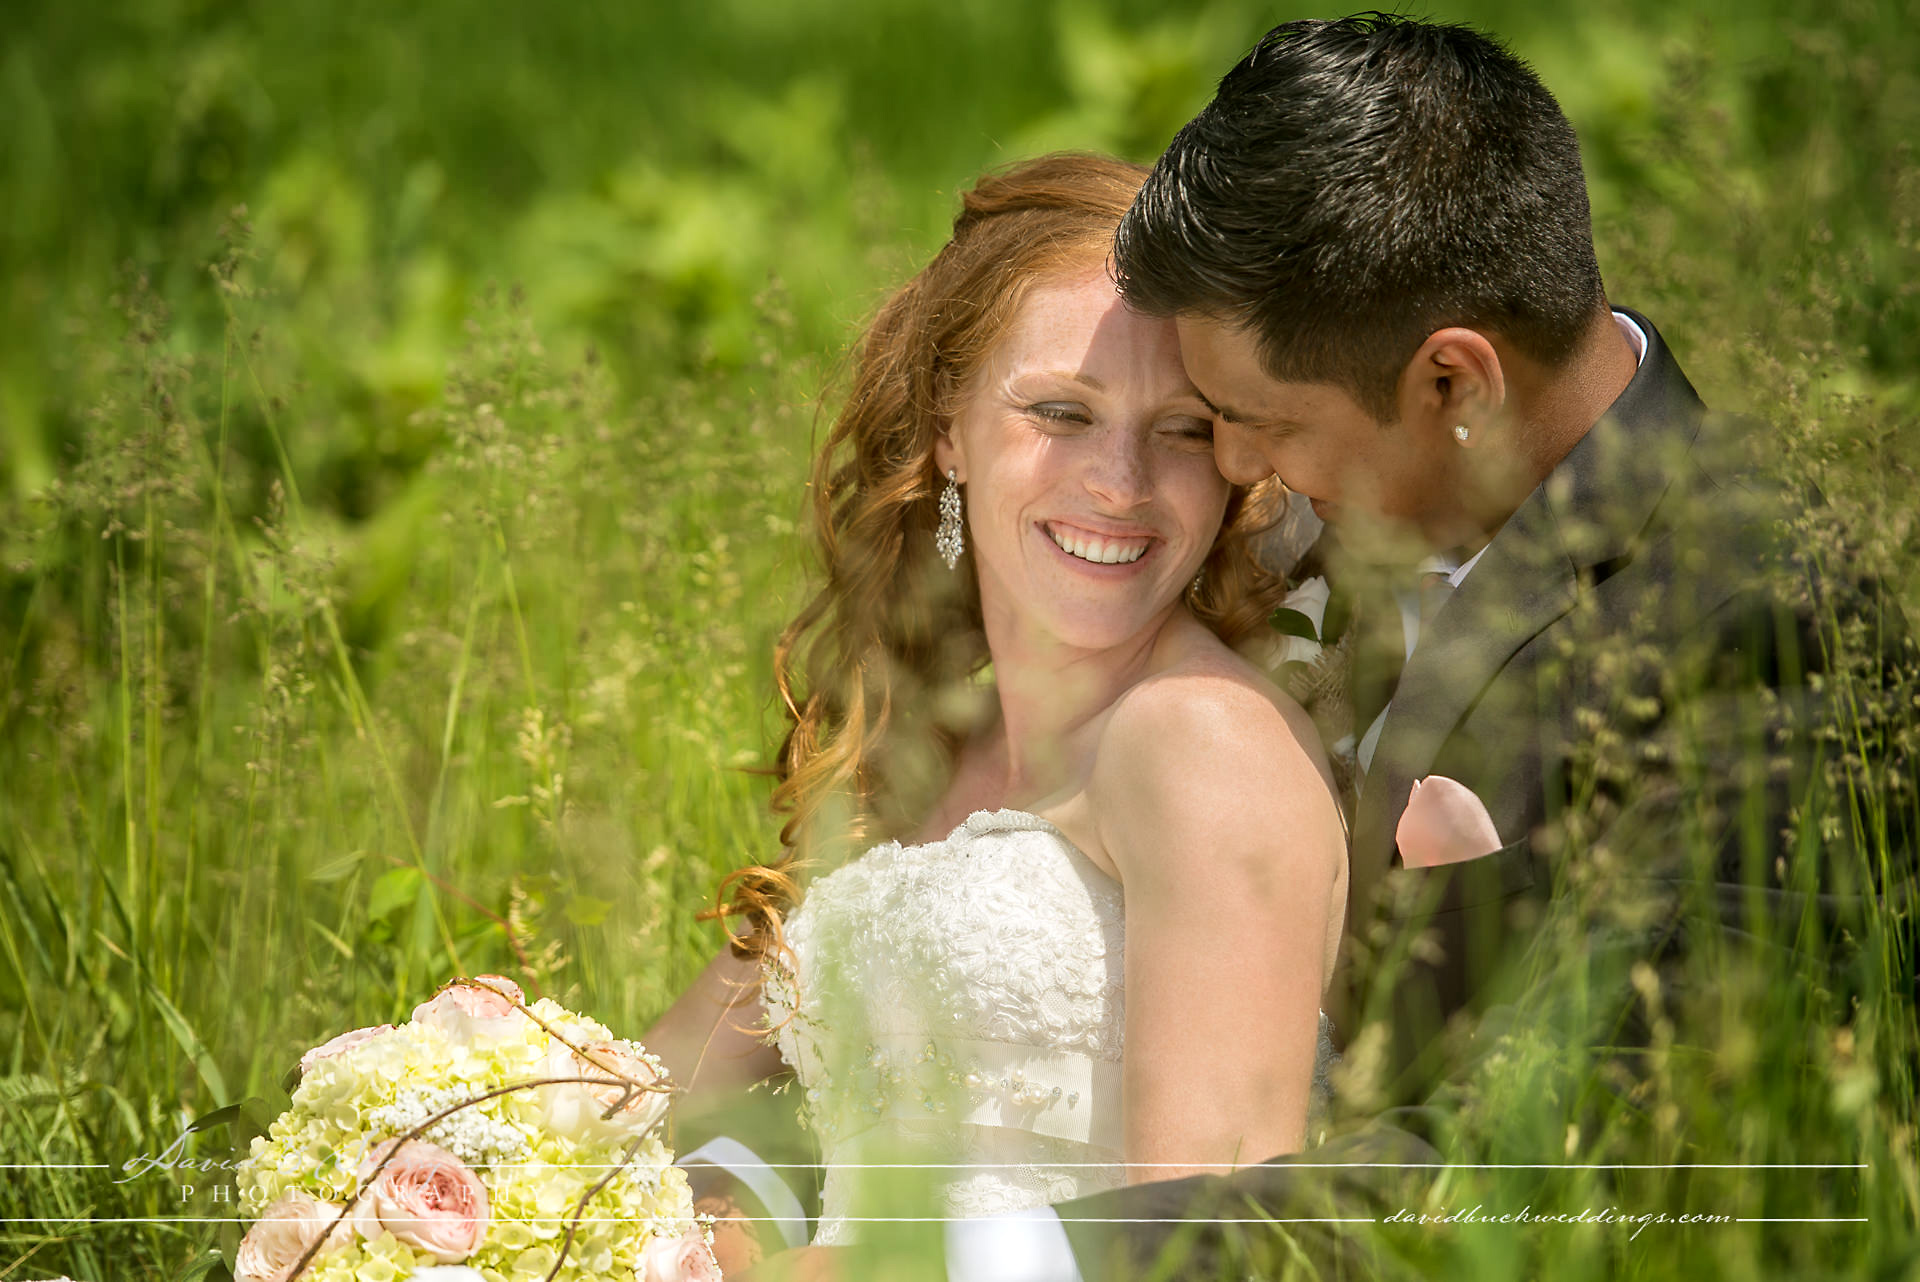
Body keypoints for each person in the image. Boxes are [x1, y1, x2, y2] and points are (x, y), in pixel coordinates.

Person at [954, 15, 1899, 1281]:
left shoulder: (1768, 629)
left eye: (1255, 421)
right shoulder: (1321, 512)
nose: (1229, 471)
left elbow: (1585, 1156)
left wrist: (990, 1258)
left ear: (1453, 385)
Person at [639, 152, 1349, 1278]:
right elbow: (641, 1093)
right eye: (1061, 411)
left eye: (1180, 430)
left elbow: (1210, 1239)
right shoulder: (932, 754)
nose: (1119, 481)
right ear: (947, 429)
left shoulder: (1198, 741)